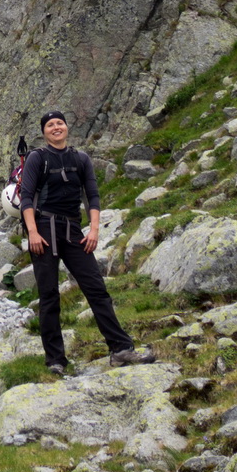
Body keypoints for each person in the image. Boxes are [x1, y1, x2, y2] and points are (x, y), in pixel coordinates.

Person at [19, 109, 155, 374]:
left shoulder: (80, 158)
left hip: (73, 229)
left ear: (67, 127)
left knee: (96, 288)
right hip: (44, 229)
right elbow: (26, 197)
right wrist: (32, 232)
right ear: (44, 132)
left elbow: (92, 195)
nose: (56, 127)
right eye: (50, 125)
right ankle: (55, 361)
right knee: (49, 296)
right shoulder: (37, 158)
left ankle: (121, 349)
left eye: (59, 123)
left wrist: (93, 231)